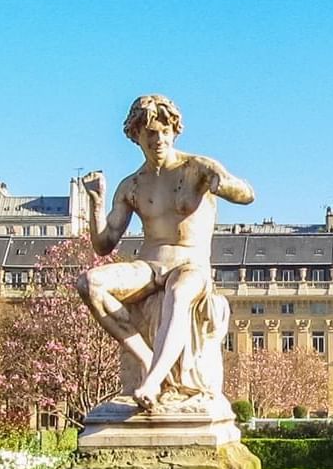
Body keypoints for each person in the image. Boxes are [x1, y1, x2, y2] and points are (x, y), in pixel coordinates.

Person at [76, 94, 255, 412]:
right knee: (90, 283)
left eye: (164, 131)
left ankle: (154, 380)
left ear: (175, 131)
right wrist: (96, 202)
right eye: (150, 133)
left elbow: (247, 195)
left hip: (190, 264)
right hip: (149, 265)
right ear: (136, 136)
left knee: (180, 289)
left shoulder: (197, 168)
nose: (158, 139)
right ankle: (147, 360)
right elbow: (104, 245)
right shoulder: (132, 185)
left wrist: (223, 184)